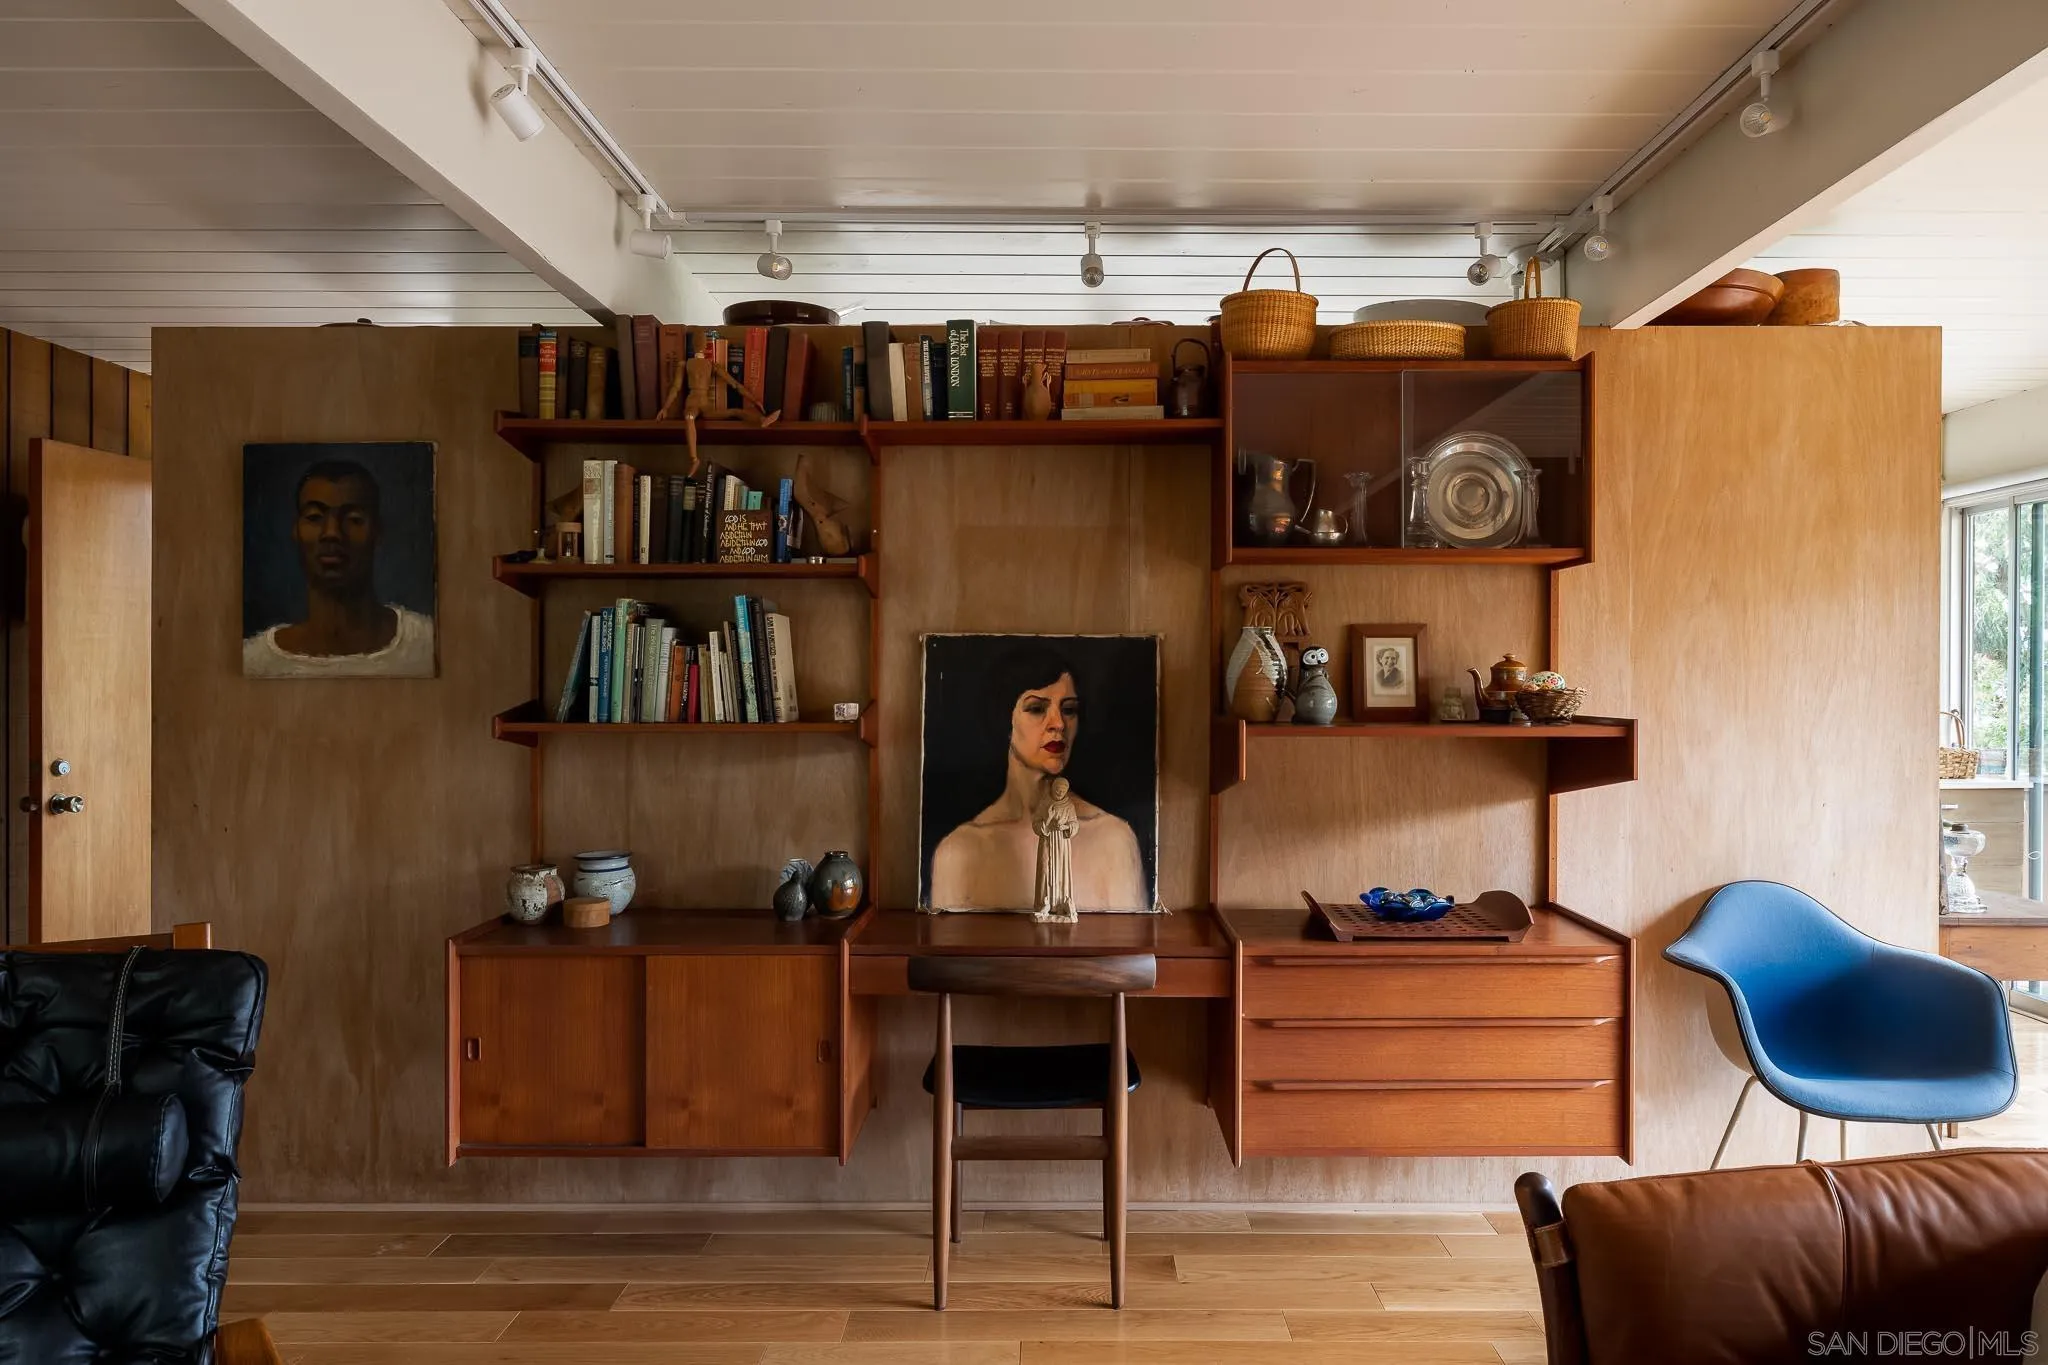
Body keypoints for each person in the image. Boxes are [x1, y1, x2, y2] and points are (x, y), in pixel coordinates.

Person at [928, 645, 1148, 911]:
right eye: (1036, 708)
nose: (1058, 724)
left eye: (1069, 710)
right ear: (1004, 720)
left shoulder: (1114, 839)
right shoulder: (958, 851)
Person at [243, 459, 434, 678]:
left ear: (378, 532)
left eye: (353, 519)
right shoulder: (254, 663)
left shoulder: (427, 645)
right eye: (315, 517)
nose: (332, 532)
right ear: (296, 530)